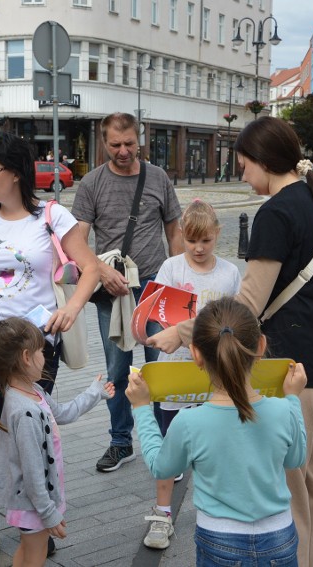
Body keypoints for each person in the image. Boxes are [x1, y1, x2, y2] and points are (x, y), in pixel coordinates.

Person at [147, 116, 313, 567]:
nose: (242, 174)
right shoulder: (311, 198)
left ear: (265, 161)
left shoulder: (278, 212)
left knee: (292, 489)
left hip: (289, 366)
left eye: (244, 164)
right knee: (312, 477)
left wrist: (181, 332)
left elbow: (244, 307)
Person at [0, 132, 100, 564]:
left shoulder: (51, 217)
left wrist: (73, 307)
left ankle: (37, 518)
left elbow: (89, 268)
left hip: (34, 346)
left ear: (15, 172)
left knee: (33, 431)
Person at [127, 297, 308, 566]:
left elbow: (160, 467)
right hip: (279, 537)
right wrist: (293, 399)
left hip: (220, 539)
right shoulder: (282, 410)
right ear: (260, 346)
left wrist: (142, 407)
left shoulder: (189, 422)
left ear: (196, 354)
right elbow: (296, 460)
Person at [70, 112, 183, 474]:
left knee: (161, 366)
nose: (123, 151)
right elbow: (76, 242)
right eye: (115, 145)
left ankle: (169, 444)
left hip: (156, 285)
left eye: (129, 144)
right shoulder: (91, 184)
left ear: (140, 139)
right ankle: (121, 441)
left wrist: (182, 280)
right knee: (117, 370)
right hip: (112, 288)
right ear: (104, 143)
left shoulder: (158, 178)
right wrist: (101, 272)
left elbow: (174, 231)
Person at [142, 200, 240, 551]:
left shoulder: (229, 274)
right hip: (176, 371)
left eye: (206, 241)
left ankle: (219, 510)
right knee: (170, 447)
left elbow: (235, 321)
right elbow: (159, 312)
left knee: (216, 445)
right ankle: (163, 512)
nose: (198, 249)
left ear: (218, 235)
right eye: (192, 241)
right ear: (182, 235)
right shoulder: (171, 267)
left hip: (214, 376)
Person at [0, 317, 114, 567]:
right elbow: (32, 472)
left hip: (34, 501)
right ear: (26, 357)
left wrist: (94, 393)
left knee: (29, 549)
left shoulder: (34, 391)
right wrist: (48, 514)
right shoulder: (24, 411)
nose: (46, 355)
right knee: (36, 555)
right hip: (33, 503)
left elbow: (63, 413)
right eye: (42, 350)